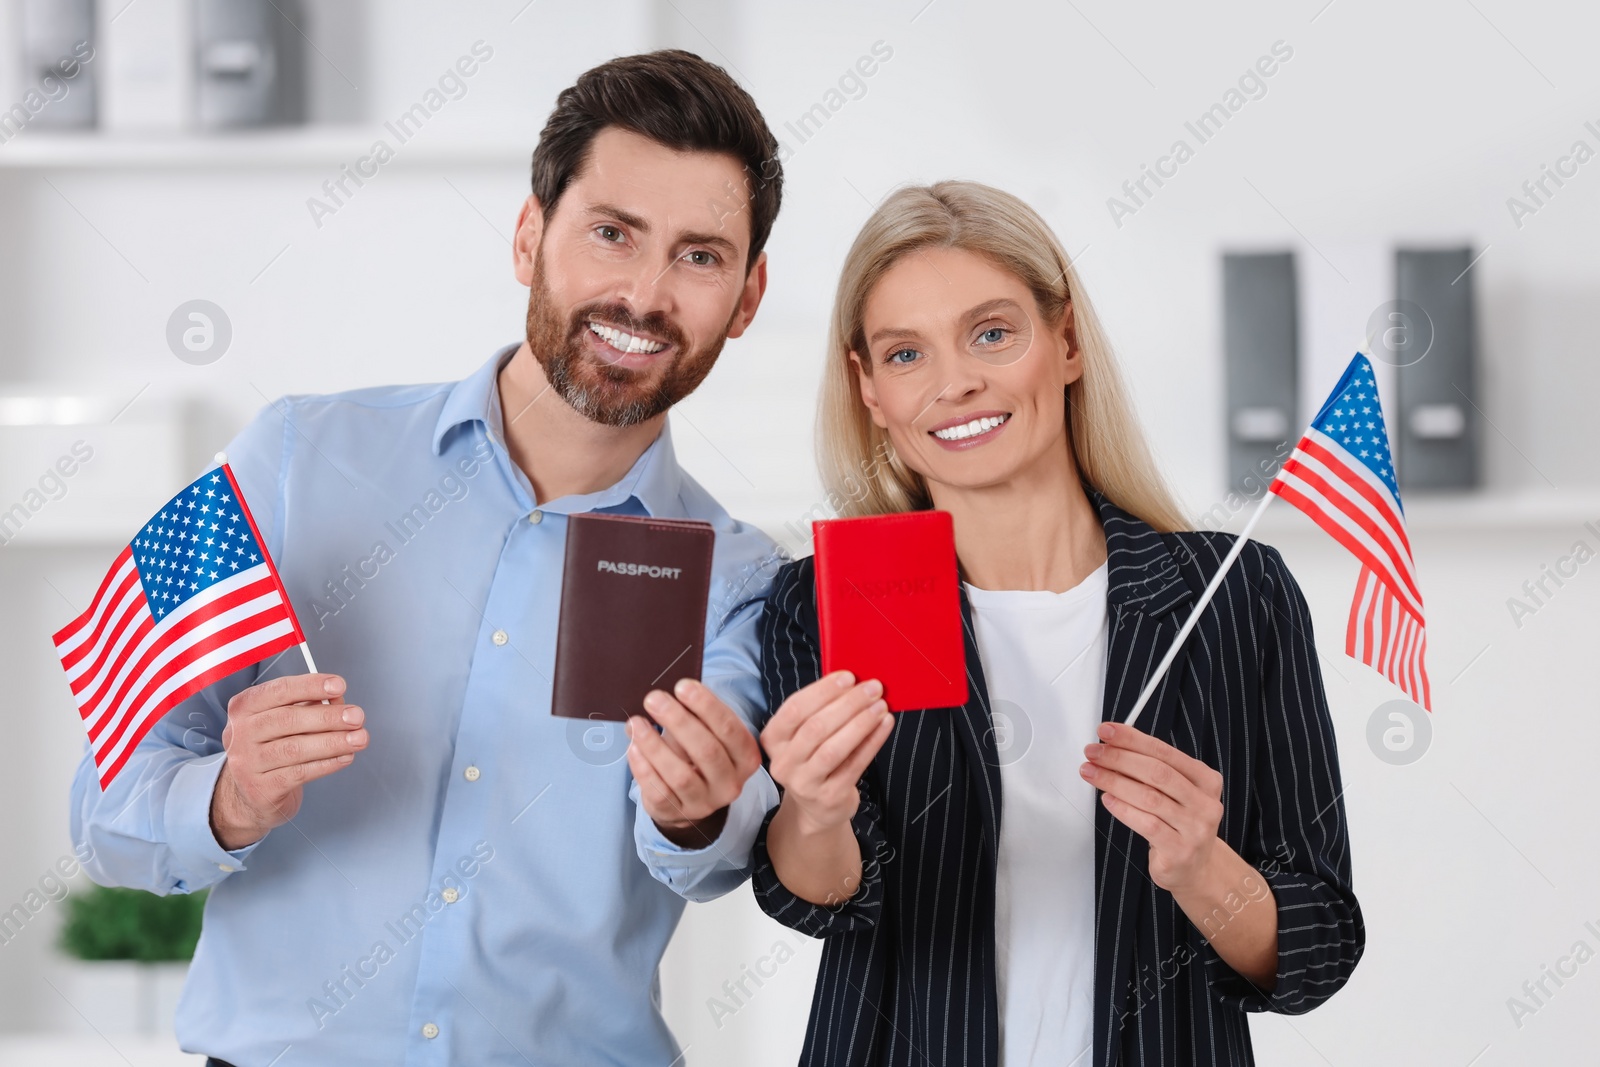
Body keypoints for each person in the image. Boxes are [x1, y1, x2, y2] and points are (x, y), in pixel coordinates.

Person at [70, 50, 786, 1067]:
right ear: (530, 234)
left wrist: (700, 805)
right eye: (611, 234)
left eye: (699, 256)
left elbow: (720, 851)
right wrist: (228, 798)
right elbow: (103, 804)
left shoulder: (744, 579)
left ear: (747, 296)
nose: (643, 292)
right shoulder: (285, 457)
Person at [744, 181, 1364, 1066]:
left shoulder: (1234, 593)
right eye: (906, 354)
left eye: (991, 333)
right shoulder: (824, 602)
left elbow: (1319, 948)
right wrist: (813, 806)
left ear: (1066, 340)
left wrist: (1202, 866)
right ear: (869, 388)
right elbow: (821, 898)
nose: (956, 381)